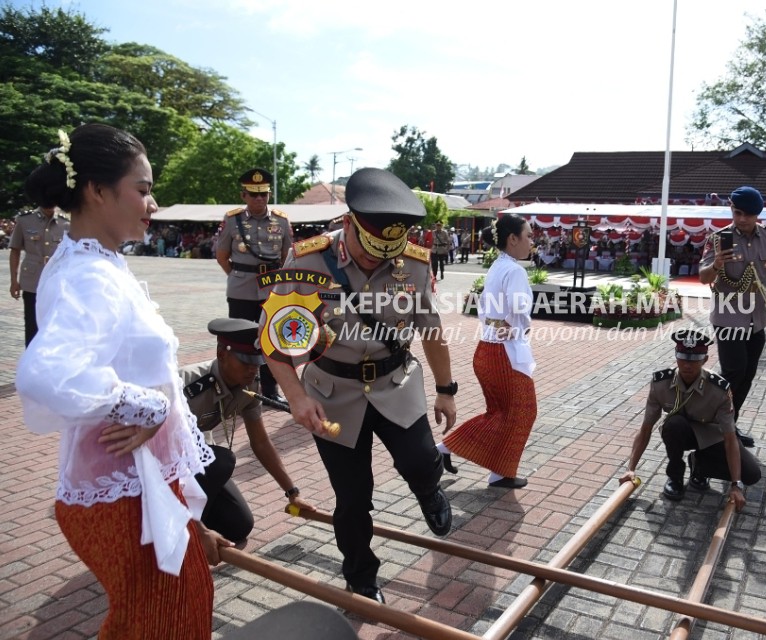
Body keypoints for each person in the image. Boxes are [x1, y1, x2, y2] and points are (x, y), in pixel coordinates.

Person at [16, 123, 229, 638]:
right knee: (165, 623)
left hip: (137, 481)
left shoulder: (92, 262)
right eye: (143, 187)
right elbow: (46, 373)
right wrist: (147, 407)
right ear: (96, 190)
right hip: (123, 492)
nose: (152, 202)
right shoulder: (88, 274)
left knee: (161, 617)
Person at [262, 167, 456, 604]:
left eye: (385, 255)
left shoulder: (413, 263)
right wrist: (295, 397)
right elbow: (274, 338)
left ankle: (429, 492)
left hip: (395, 384)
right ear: (348, 223)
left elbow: (431, 329)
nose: (377, 262)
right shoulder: (307, 261)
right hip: (331, 394)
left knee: (423, 461)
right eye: (370, 253)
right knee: (353, 499)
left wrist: (447, 389)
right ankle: (360, 576)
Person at [182, 318, 317, 543]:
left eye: (256, 363)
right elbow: (165, 457)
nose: (253, 369)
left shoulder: (249, 385)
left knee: (239, 526)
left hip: (195, 462)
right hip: (164, 468)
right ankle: (179, 528)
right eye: (245, 362)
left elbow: (261, 442)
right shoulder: (188, 387)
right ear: (222, 354)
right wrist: (199, 530)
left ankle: (192, 522)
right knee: (222, 460)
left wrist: (293, 494)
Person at [699, 186, 766, 449]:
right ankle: (711, 426)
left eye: (748, 214)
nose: (742, 219)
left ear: (758, 214)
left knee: (747, 374)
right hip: (727, 318)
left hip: (756, 320)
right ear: (732, 211)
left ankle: (729, 425)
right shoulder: (717, 239)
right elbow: (703, 277)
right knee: (734, 372)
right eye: (738, 213)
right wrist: (716, 265)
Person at [437, 213, 537, 489]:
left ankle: (500, 472)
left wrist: (503, 324)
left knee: (503, 413)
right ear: (512, 239)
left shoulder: (498, 266)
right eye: (528, 235)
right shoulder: (514, 270)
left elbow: (484, 309)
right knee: (521, 412)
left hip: (489, 349)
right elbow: (520, 309)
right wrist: (519, 328)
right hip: (503, 353)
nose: (531, 241)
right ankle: (443, 449)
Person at [618, 328, 760, 507]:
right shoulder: (660, 383)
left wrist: (735, 485)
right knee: (673, 424)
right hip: (681, 432)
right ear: (676, 356)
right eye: (683, 358)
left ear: (705, 360)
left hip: (712, 436)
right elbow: (645, 429)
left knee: (751, 474)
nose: (687, 365)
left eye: (694, 360)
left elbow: (730, 439)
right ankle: (675, 478)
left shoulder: (719, 389)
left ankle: (699, 466)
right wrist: (630, 469)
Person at [215, 168, 292, 404]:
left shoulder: (281, 219)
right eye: (253, 194)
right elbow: (222, 255)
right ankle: (240, 386)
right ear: (244, 196)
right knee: (240, 339)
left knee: (272, 339)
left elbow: (287, 256)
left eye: (264, 195)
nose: (259, 199)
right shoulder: (232, 219)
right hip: (241, 290)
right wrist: (237, 276)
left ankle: (270, 389)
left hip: (272, 290)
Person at [8, 202, 70, 346]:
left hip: (57, 281)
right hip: (32, 282)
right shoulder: (25, 220)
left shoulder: (66, 222)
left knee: (55, 325)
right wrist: (13, 281)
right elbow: (15, 250)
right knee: (32, 325)